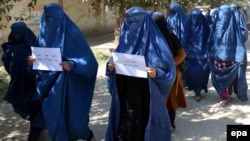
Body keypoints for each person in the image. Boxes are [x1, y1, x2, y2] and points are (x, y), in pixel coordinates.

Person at [28, 3, 98, 141]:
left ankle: (88, 136)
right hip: (50, 89)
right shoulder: (43, 36)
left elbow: (91, 63)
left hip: (72, 88)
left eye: (54, 17)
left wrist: (73, 65)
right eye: (48, 17)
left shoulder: (73, 33)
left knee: (75, 124)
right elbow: (37, 67)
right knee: (54, 121)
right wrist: (31, 62)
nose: (51, 21)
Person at [105, 7, 176, 141]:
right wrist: (110, 68)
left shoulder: (156, 44)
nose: (133, 25)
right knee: (126, 124)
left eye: (137, 21)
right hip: (125, 93)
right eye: (130, 21)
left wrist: (157, 72)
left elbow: (168, 70)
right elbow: (112, 66)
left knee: (143, 125)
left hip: (146, 95)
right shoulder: (124, 42)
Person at [1, 21, 44, 140]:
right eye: (15, 33)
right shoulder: (33, 44)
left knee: (36, 111)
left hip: (24, 85)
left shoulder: (11, 48)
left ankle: (35, 134)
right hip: (29, 85)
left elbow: (7, 65)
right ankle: (35, 133)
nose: (17, 35)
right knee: (35, 111)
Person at [151, 11, 187, 131]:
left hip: (171, 73)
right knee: (158, 99)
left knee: (171, 100)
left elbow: (181, 53)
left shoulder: (171, 36)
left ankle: (171, 123)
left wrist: (172, 63)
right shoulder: (150, 36)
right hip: (155, 73)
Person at [208, 4, 248, 106]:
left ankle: (227, 92)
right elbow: (210, 41)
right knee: (219, 76)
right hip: (218, 57)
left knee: (230, 75)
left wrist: (240, 57)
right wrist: (209, 55)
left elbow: (239, 42)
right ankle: (225, 95)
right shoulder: (216, 27)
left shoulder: (234, 29)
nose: (223, 16)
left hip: (230, 58)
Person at [182, 8, 211, 102]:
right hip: (191, 55)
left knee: (202, 73)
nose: (195, 19)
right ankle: (195, 91)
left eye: (197, 17)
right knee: (192, 74)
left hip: (203, 54)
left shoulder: (205, 25)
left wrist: (209, 53)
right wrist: (185, 51)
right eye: (193, 16)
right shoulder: (189, 24)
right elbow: (185, 39)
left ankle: (198, 91)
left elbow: (210, 39)